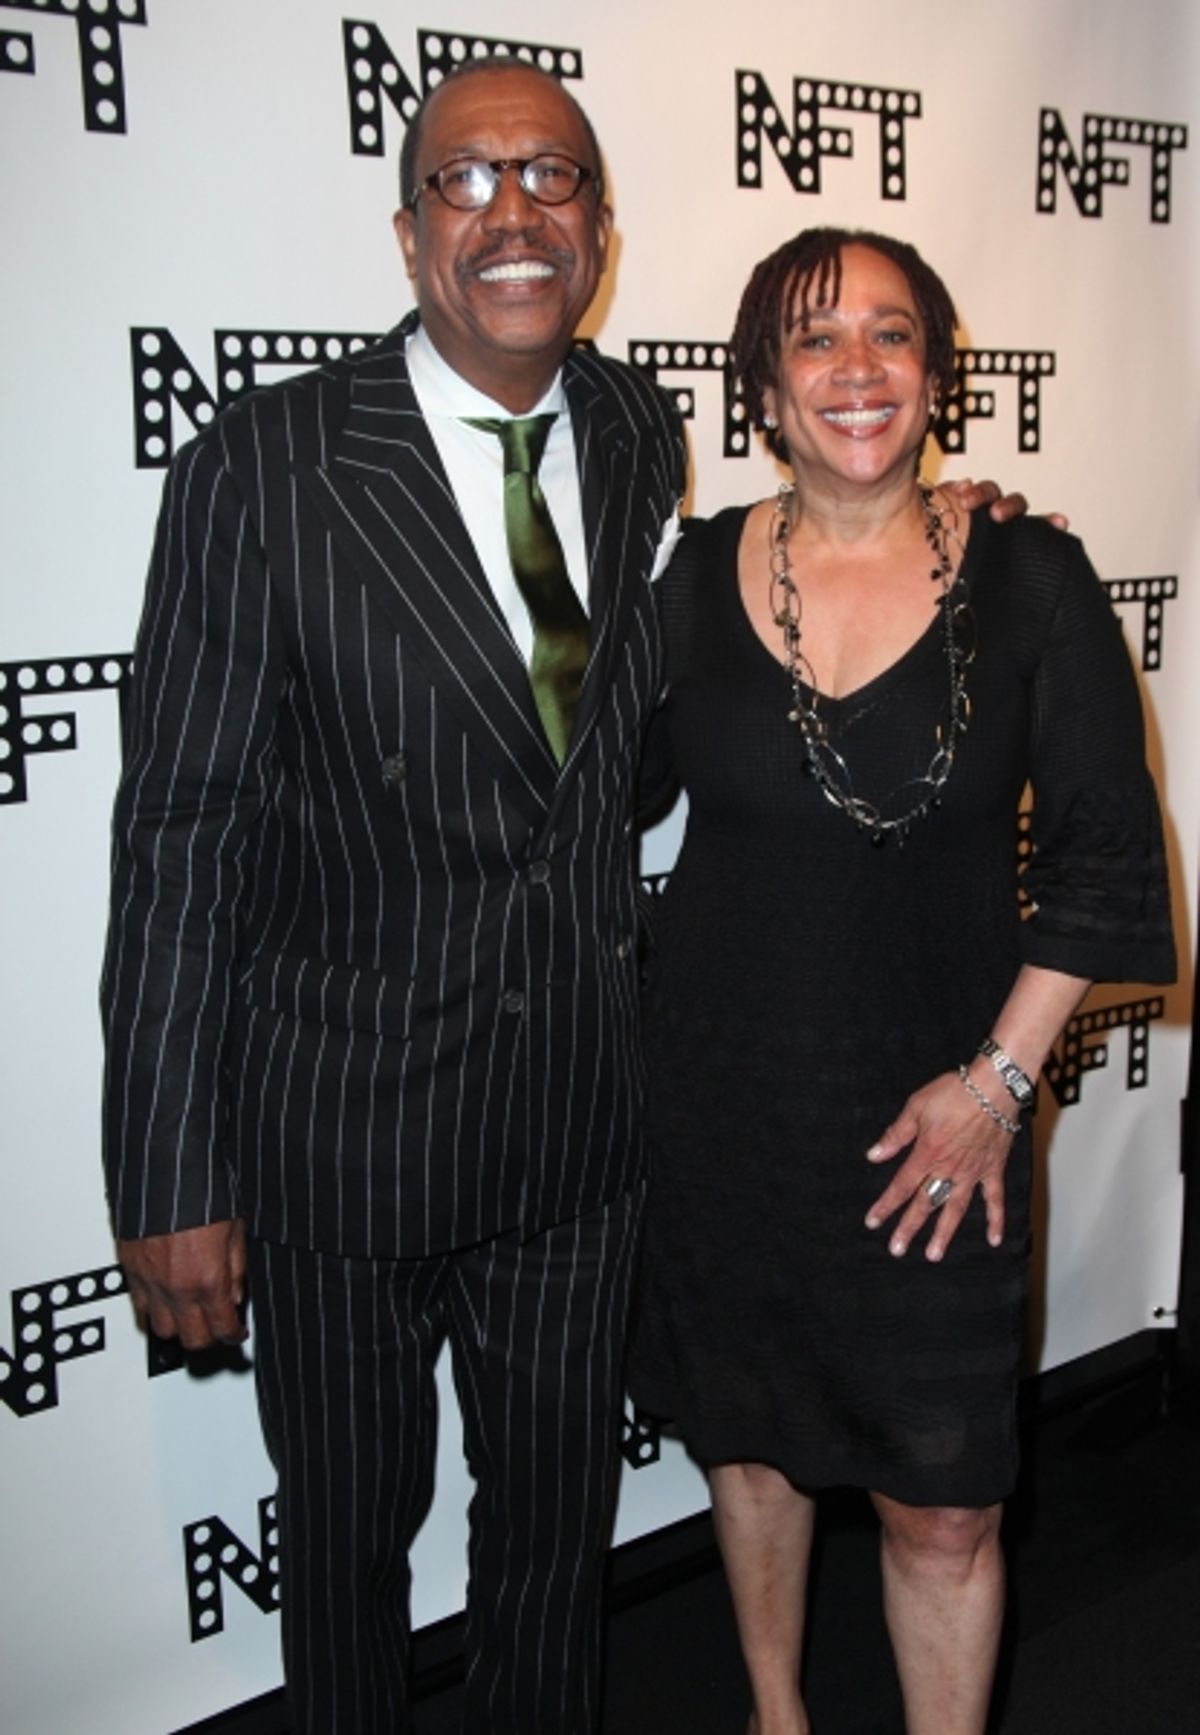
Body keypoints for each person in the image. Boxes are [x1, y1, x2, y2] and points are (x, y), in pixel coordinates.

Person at [100, 62, 1025, 1734]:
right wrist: (170, 1167)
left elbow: (679, 701)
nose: (513, 214)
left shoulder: (625, 427)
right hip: (342, 1136)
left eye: (555, 179)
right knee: (351, 1564)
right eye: (467, 181)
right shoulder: (268, 463)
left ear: (598, 231)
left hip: (583, 1131)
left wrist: (923, 530)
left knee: (547, 1549)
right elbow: (180, 830)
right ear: (407, 233)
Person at [629, 227, 1175, 1735]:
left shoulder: (1037, 573)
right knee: (749, 1447)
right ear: (762, 387)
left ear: (936, 372)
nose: (855, 369)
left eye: (889, 335)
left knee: (947, 1511)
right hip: (728, 1103)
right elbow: (582, 785)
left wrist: (996, 1086)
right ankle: (775, 1713)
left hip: (949, 1122)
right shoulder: (684, 582)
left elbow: (1106, 866)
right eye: (815, 339)